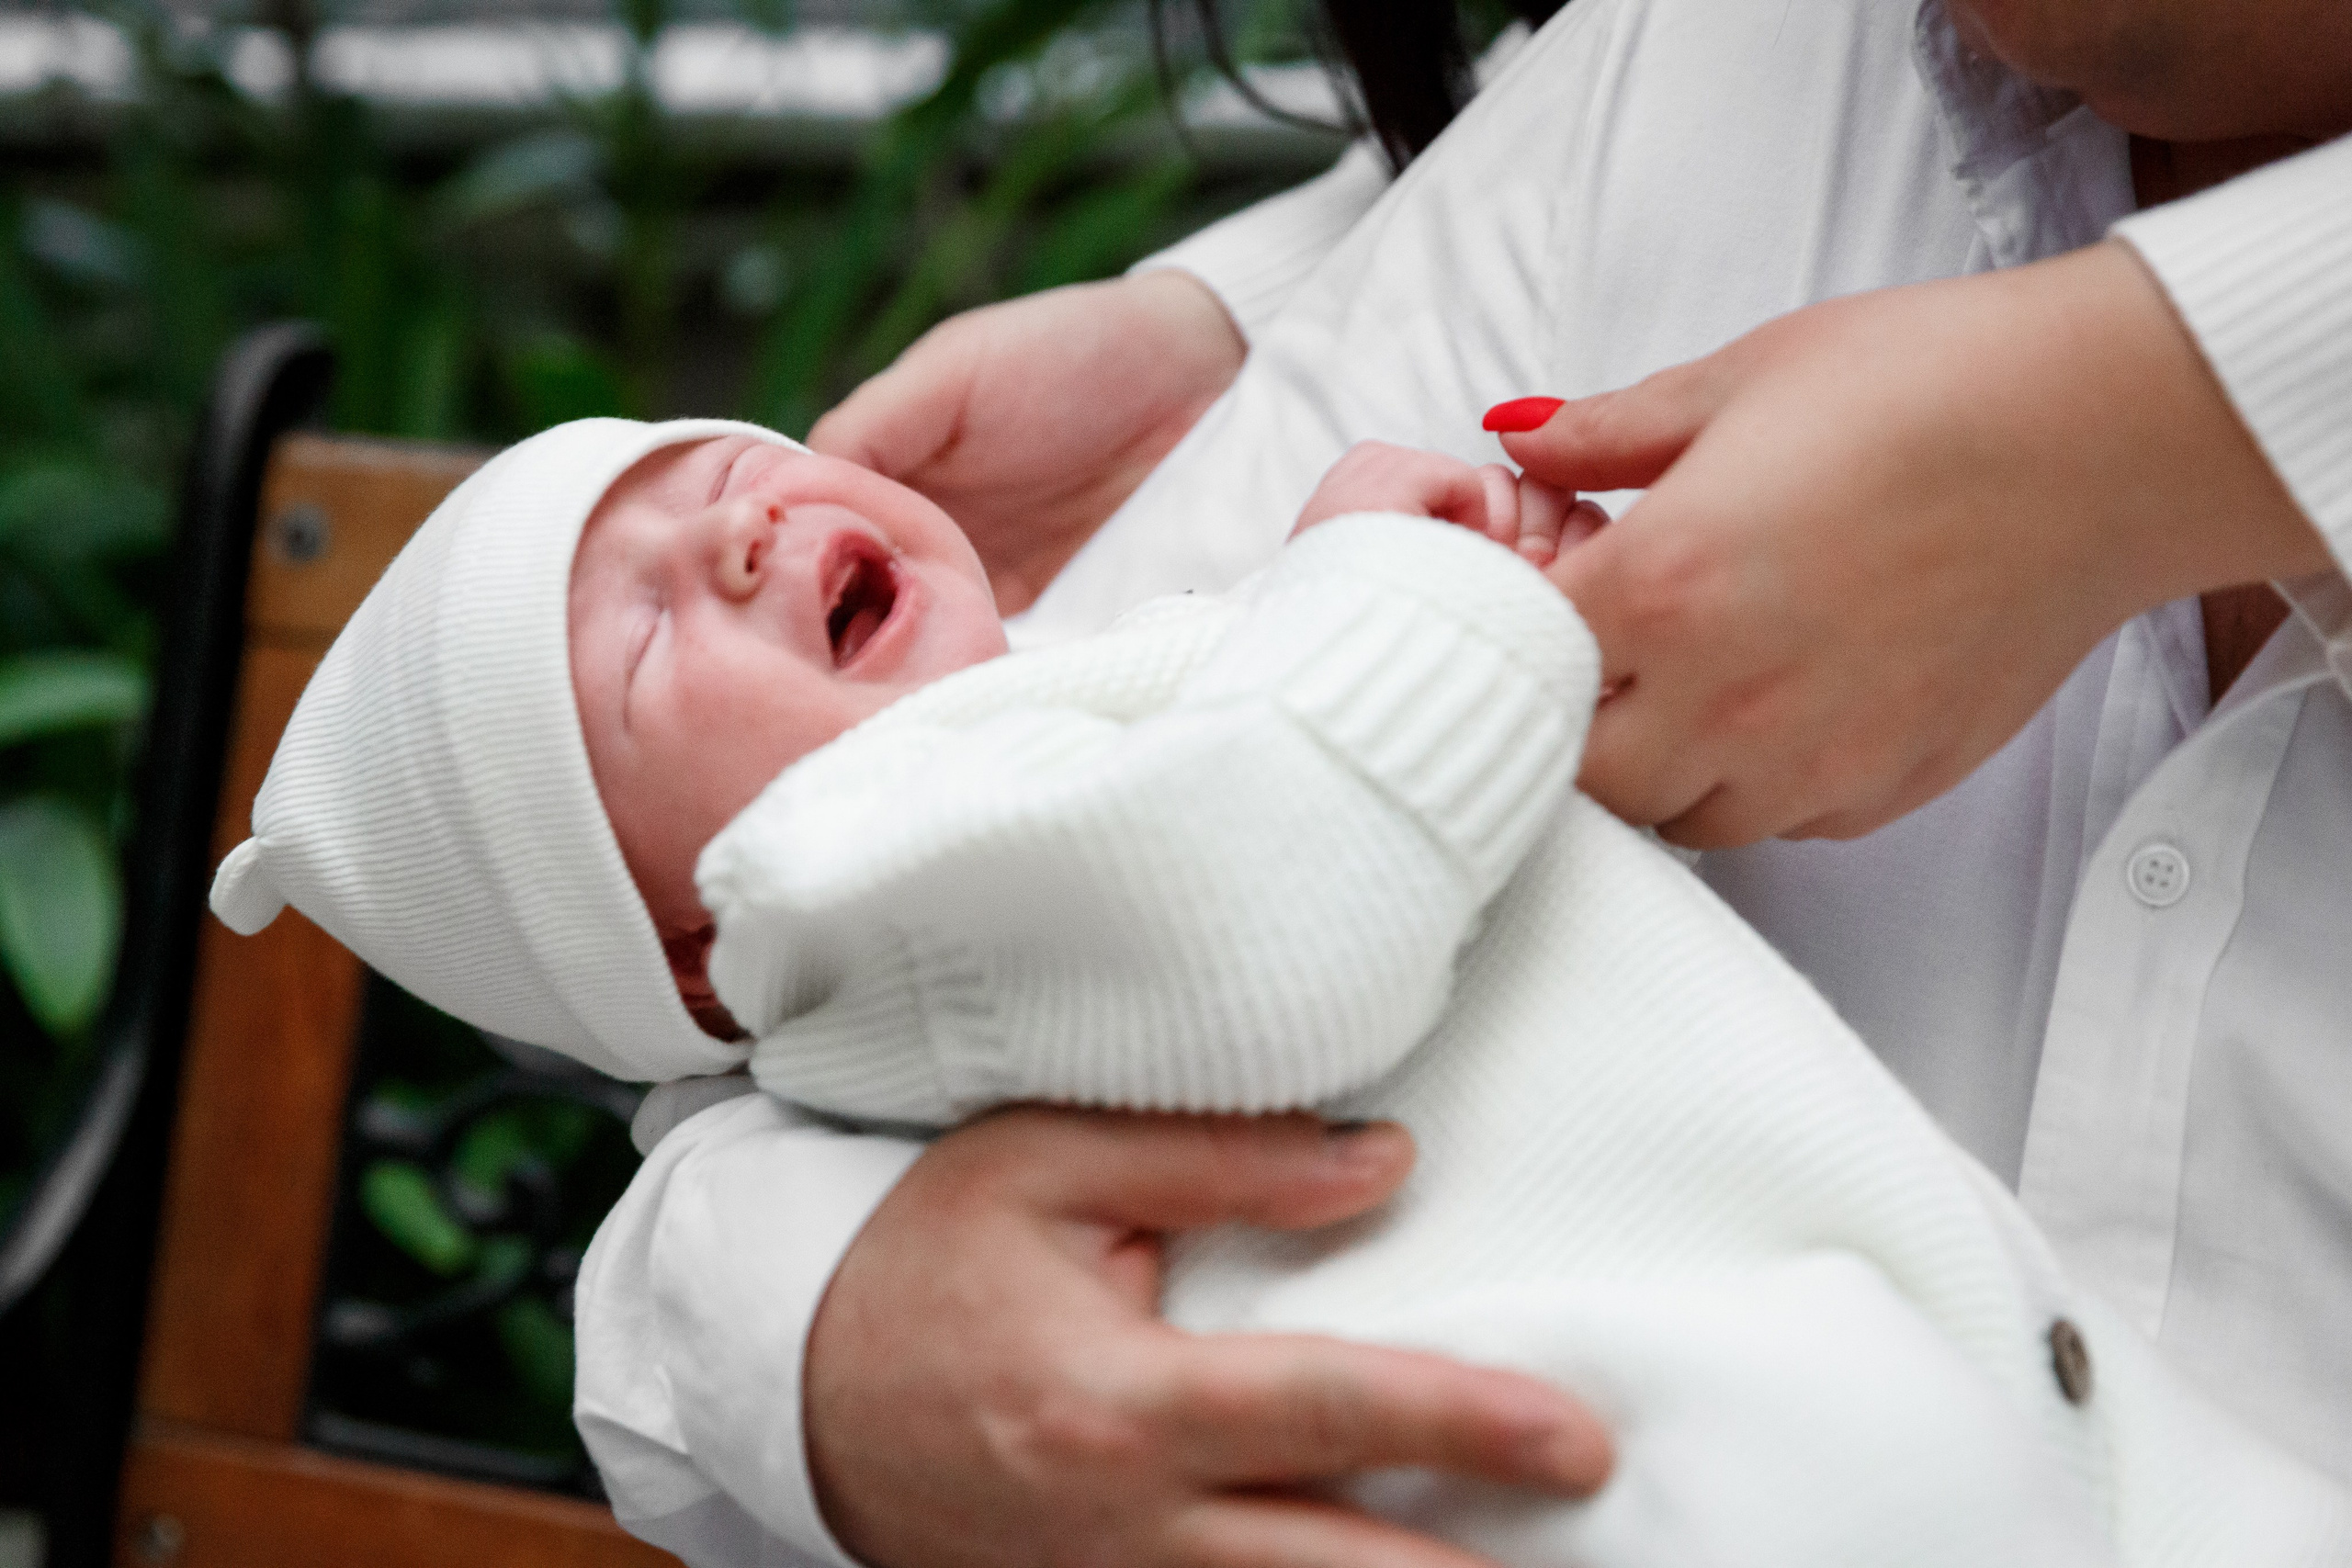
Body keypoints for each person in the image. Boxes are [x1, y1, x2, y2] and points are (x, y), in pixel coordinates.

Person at [567, 0, 2352, 1562]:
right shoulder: (1694, 82)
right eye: (636, 618)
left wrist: (2154, 420)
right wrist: (826, 1332)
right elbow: (845, 981)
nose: (736, 535)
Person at [209, 406, 2342, 1567]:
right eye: (641, 634)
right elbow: (1262, 914)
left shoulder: (1052, 736)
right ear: (686, 948)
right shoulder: (851, 887)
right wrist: (1400, 585)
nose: (736, 534)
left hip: (1920, 1350)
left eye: (708, 469)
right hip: (1667, 1446)